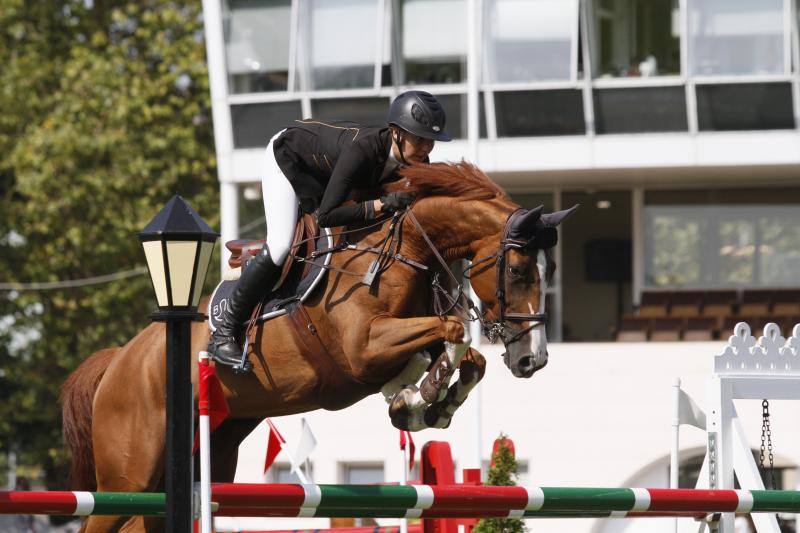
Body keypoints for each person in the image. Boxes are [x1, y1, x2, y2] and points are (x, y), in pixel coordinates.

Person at [209, 90, 452, 368]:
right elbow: (328, 215)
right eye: (419, 139)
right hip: (290, 161)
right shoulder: (364, 149)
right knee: (280, 245)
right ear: (396, 133)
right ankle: (224, 332)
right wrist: (382, 205)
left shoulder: (416, 162)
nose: (425, 149)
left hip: (326, 173)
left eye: (431, 142)